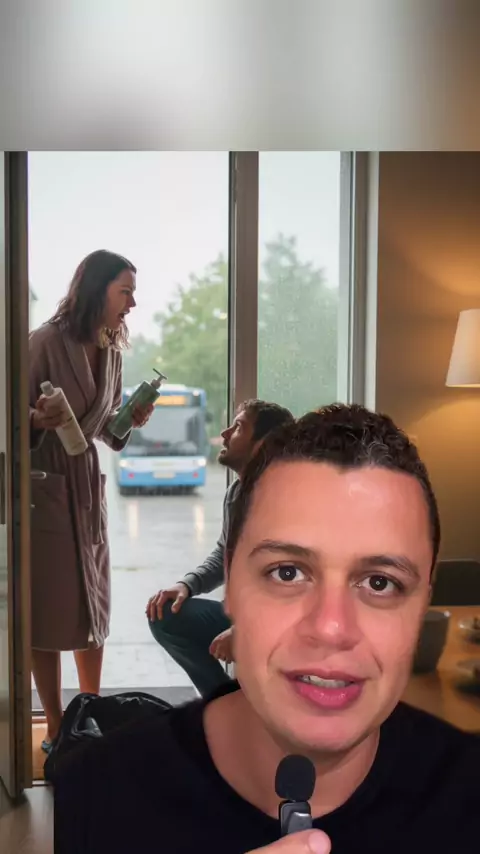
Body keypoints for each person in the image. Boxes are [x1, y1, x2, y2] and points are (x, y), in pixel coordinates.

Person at [54, 403, 480, 853]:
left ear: (424, 601)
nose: (331, 628)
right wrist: (190, 587)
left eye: (379, 582)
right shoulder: (100, 794)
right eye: (287, 573)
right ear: (234, 581)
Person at [29, 249, 154, 753]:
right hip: (47, 485)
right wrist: (34, 420)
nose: (132, 303)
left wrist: (129, 420)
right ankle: (55, 725)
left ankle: (90, 712)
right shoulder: (43, 342)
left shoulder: (113, 351)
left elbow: (104, 429)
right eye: (125, 291)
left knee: (93, 605)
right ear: (96, 290)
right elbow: (10, 415)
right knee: (47, 609)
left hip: (86, 489)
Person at [146, 399, 295, 695]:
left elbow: (292, 583)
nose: (225, 434)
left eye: (238, 427)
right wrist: (186, 585)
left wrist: (244, 632)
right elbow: (224, 554)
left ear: (264, 443)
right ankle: (224, 702)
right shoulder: (236, 493)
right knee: (164, 614)